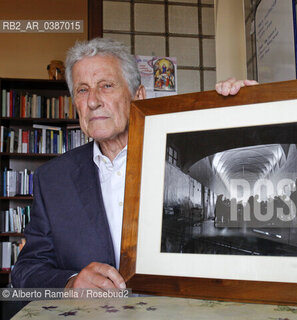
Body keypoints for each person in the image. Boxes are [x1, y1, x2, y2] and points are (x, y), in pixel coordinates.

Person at [11, 38, 257, 289]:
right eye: (82, 90)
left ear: (138, 96)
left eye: (106, 85)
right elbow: (26, 271)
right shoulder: (53, 179)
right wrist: (70, 283)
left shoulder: (174, 151)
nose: (93, 101)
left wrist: (251, 106)